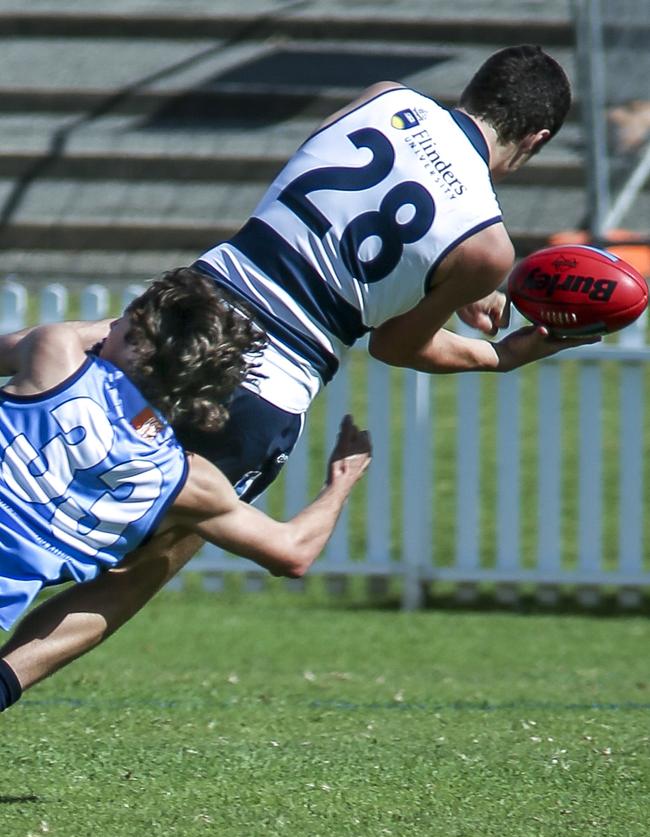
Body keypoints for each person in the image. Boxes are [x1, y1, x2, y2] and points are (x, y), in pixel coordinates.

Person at [0, 44, 598, 706]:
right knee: (149, 557)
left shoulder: (383, 96)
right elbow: (400, 346)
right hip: (266, 382)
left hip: (186, 308)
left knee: (48, 424)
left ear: (477, 88)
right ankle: (9, 675)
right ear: (537, 138)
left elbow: (323, 211)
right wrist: (500, 352)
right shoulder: (487, 246)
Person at [0, 268, 371, 711]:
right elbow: (293, 551)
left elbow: (77, 339)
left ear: (142, 339)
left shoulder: (54, 356)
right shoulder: (189, 481)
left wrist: (134, 330)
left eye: (124, 321)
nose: (110, 326)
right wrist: (341, 481)